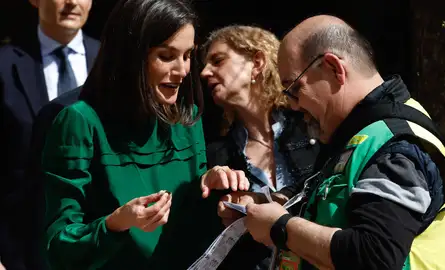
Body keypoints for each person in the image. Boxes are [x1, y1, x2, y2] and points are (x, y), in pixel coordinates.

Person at [215, 15, 445, 270]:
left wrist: (280, 228)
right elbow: (333, 197)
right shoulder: (361, 136)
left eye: (294, 88)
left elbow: (374, 256)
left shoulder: (396, 146)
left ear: (334, 68)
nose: (293, 104)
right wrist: (265, 204)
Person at [40, 0, 241, 269]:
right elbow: (58, 244)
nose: (182, 71)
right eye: (167, 56)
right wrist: (117, 222)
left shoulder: (187, 117)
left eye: (187, 55)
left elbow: (189, 219)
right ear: (131, 57)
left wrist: (212, 184)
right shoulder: (79, 121)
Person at [200, 25, 321, 269]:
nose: (204, 72)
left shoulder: (311, 121)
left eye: (218, 60)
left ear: (257, 62)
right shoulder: (217, 153)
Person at [0, 0, 98, 269]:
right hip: (20, 248)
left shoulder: (111, 62)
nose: (72, 3)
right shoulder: (4, 64)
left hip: (97, 242)